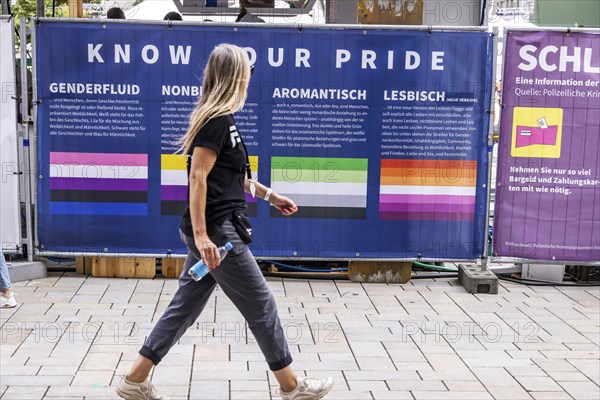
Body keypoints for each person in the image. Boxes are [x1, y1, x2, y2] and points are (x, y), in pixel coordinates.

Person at [116, 44, 334, 400]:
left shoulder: (222, 120)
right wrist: (203, 237)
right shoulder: (215, 122)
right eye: (246, 74)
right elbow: (198, 178)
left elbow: (230, 177)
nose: (249, 80)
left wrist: (269, 196)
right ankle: (292, 387)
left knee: (184, 306)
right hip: (219, 235)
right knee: (261, 304)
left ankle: (134, 380)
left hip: (215, 230)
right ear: (236, 78)